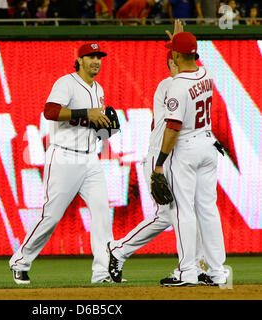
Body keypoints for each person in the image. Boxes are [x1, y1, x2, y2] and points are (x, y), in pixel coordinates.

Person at [107, 20, 207, 285]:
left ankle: (121, 250)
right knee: (176, 213)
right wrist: (179, 43)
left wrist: (180, 40)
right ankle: (189, 268)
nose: (182, 61)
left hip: (177, 153)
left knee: (174, 213)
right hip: (160, 154)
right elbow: (191, 75)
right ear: (172, 63)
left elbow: (197, 71)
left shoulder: (186, 80)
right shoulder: (169, 86)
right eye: (175, 56)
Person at [9, 43, 115, 284]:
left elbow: (91, 122)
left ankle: (102, 272)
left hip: (90, 158)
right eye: (90, 57)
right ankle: (20, 261)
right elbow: (50, 111)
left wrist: (105, 128)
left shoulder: (98, 88)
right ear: (78, 60)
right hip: (64, 156)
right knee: (51, 216)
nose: (96, 61)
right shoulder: (66, 82)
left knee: (101, 213)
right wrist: (86, 113)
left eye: (99, 57)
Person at [151, 31, 227, 286]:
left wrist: (160, 162)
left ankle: (188, 272)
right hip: (207, 143)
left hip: (185, 147)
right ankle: (217, 272)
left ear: (175, 55)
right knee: (208, 209)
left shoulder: (176, 86)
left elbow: (172, 127)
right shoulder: (207, 74)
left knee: (184, 210)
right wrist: (180, 41)